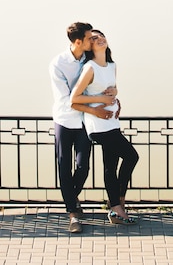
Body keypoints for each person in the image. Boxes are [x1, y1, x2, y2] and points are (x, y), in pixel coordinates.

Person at [49, 21, 116, 233]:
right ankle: (73, 214)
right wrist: (97, 108)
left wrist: (114, 98)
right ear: (78, 41)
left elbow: (102, 81)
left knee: (83, 167)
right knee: (64, 166)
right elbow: (69, 99)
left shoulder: (89, 60)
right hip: (65, 120)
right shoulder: (58, 64)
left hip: (84, 123)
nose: (92, 40)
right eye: (89, 38)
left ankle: (71, 197)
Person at [70, 29, 139, 225]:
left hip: (112, 121)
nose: (99, 39)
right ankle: (118, 203)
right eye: (93, 38)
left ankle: (116, 210)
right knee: (132, 156)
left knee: (111, 166)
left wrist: (116, 96)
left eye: (101, 36)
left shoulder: (112, 65)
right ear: (89, 46)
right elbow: (75, 99)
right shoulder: (89, 67)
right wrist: (100, 103)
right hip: (98, 123)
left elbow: (111, 90)